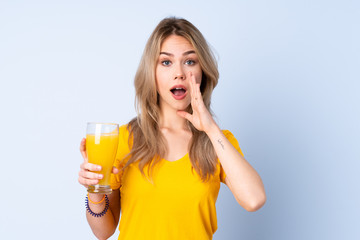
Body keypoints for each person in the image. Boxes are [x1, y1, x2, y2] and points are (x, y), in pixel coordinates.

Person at [78, 17, 266, 240]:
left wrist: (210, 129)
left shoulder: (218, 141)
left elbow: (254, 199)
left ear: (202, 71)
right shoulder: (123, 139)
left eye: (190, 62)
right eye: (166, 62)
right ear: (152, 73)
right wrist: (95, 190)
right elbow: (103, 231)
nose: (179, 73)